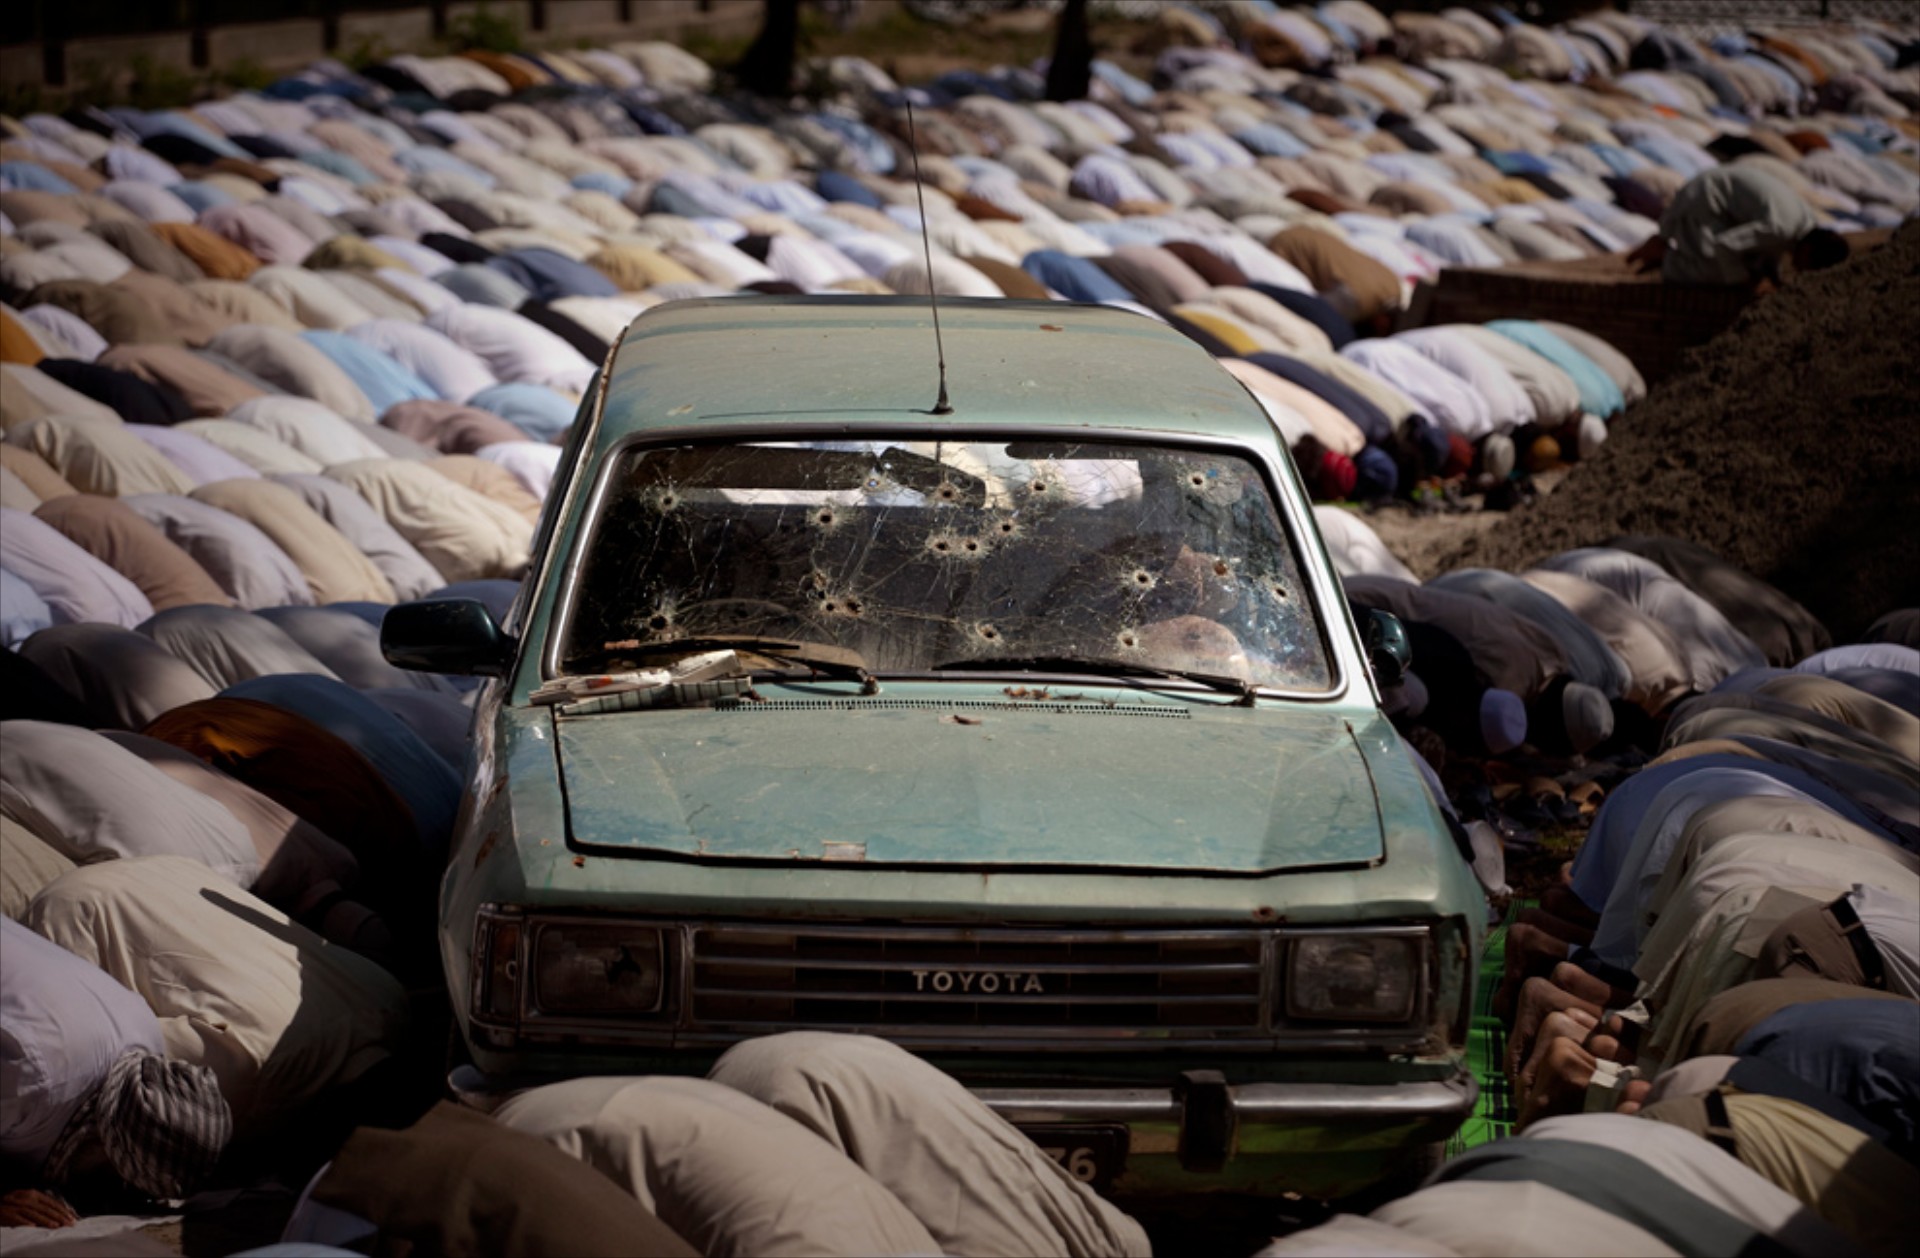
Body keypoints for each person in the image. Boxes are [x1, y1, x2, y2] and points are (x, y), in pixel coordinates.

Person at [1633, 164, 1848, 286]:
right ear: (1808, 251)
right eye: (1808, 268)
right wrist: (1742, 283)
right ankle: (1667, 259)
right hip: (1706, 200)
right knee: (1713, 272)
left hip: (1718, 201)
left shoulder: (1801, 222)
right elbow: (1724, 246)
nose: (1801, 271)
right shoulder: (1783, 228)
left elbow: (1766, 251)